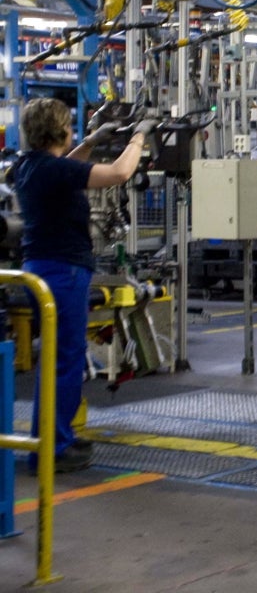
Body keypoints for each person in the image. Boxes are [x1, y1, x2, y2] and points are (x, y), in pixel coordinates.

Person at [10, 98, 152, 472]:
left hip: (37, 268)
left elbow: (65, 166)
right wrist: (139, 137)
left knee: (54, 362)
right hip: (63, 273)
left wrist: (91, 140)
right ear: (60, 130)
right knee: (68, 362)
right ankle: (56, 448)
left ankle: (50, 440)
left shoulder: (28, 166)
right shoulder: (52, 171)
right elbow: (121, 174)